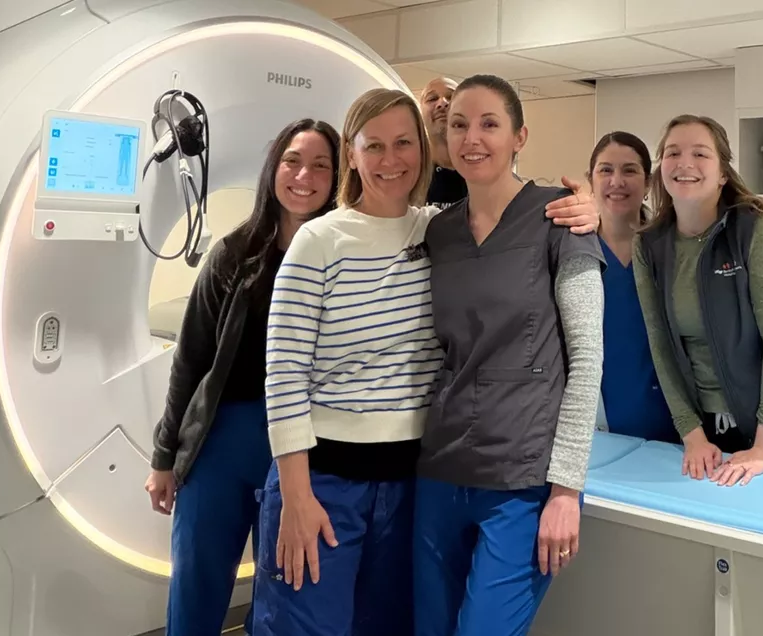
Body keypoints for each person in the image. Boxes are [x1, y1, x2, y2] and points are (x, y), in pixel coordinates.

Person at [251, 87, 599, 635]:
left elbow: (582, 356)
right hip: (326, 480)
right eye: (374, 146)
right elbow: (284, 371)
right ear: (352, 153)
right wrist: (295, 495)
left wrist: (588, 202)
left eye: (403, 143)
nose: (390, 160)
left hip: (409, 483)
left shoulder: (435, 228)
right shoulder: (321, 240)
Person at [414, 74, 606, 636]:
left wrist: (567, 490)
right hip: (440, 470)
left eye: (490, 124)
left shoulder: (562, 219)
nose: (473, 138)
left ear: (520, 136)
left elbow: (588, 358)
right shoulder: (438, 232)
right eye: (459, 125)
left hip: (522, 479)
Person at [143, 118, 340, 636]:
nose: (304, 175)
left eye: (322, 165)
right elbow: (190, 362)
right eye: (293, 160)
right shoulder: (232, 256)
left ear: (338, 178)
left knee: (284, 591)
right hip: (223, 440)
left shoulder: (344, 258)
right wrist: (165, 458)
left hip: (302, 445)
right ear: (274, 167)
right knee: (197, 586)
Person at [632, 113, 763, 488]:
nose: (684, 163)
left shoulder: (755, 227)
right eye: (672, 153)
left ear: (723, 174)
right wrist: (692, 434)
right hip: (713, 437)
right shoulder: (650, 245)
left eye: (700, 154)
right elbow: (660, 345)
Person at [588, 131, 679, 444]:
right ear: (590, 179)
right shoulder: (573, 252)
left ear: (648, 180)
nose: (617, 181)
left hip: (676, 424)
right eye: (605, 170)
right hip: (599, 426)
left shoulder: (672, 247)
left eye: (629, 170)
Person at [419, 76, 467, 207]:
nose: (442, 103)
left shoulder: (485, 174)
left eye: (451, 97)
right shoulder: (410, 176)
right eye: (432, 99)